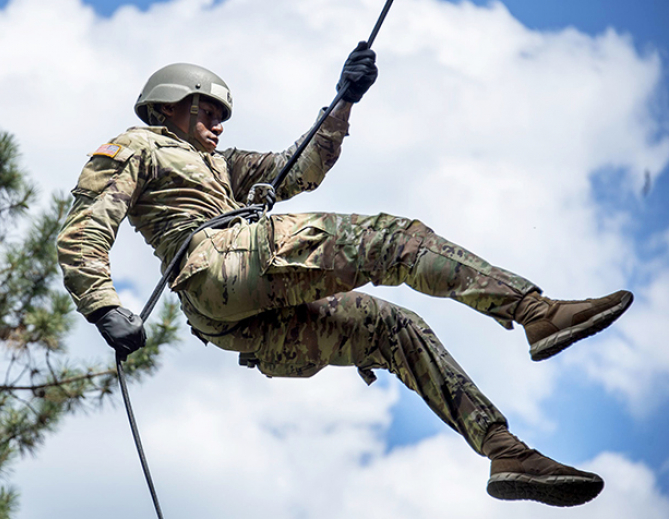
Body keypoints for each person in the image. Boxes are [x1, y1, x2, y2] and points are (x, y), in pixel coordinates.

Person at [56, 43, 633, 507]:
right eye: (205, 110)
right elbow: (85, 227)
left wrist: (343, 101)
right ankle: (535, 311)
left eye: (220, 116)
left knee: (393, 329)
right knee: (394, 239)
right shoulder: (138, 146)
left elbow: (298, 169)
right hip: (220, 263)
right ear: (166, 108)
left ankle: (503, 451)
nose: (216, 124)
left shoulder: (223, 168)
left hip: (232, 315)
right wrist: (104, 305)